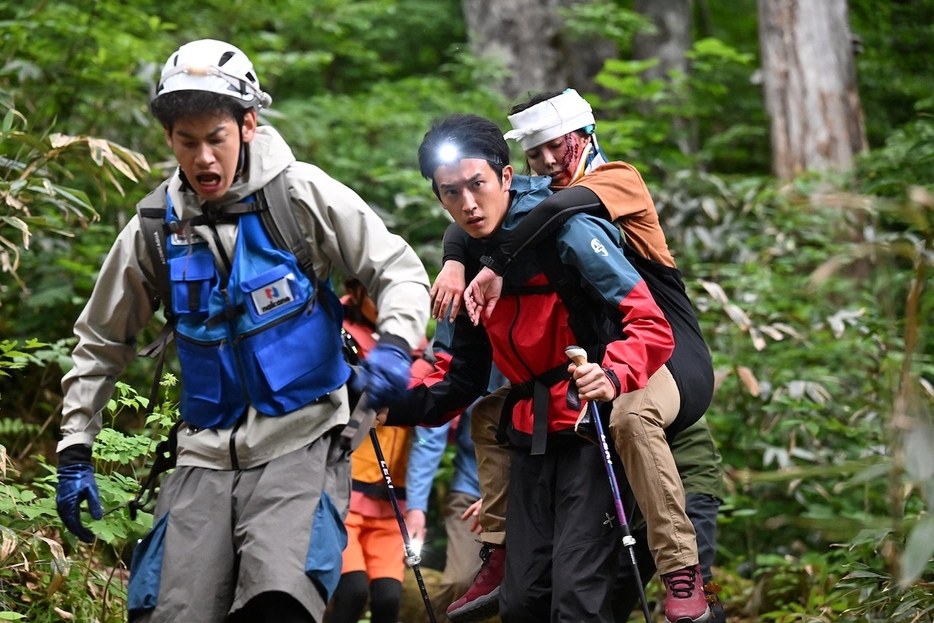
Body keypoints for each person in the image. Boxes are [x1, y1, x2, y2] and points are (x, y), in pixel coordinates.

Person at [53, 39, 430, 623]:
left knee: (278, 603)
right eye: (187, 141)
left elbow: (398, 270)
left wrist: (398, 346)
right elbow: (103, 340)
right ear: (169, 139)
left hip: (301, 441)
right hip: (202, 451)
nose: (203, 158)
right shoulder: (154, 226)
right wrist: (76, 445)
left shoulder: (299, 194)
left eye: (216, 138)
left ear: (248, 123)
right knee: (171, 613)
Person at [384, 112, 699, 623]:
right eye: (450, 192)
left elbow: (650, 325)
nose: (467, 203)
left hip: (589, 428)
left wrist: (614, 373)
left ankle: (686, 574)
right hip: (529, 435)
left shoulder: (569, 232)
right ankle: (498, 554)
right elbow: (456, 377)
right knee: (522, 602)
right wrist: (380, 402)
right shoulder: (462, 260)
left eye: (477, 185)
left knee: (576, 599)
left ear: (506, 177)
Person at [326, 280, 434, 623]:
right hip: (343, 493)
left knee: (388, 600)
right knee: (353, 591)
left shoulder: (417, 346)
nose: (389, 302)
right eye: (378, 293)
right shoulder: (336, 331)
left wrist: (417, 506)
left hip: (391, 502)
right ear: (357, 292)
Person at [405, 366, 506, 623]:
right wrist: (416, 508)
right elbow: (429, 436)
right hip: (471, 490)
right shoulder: (465, 351)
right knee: (460, 581)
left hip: (531, 489)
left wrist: (505, 494)